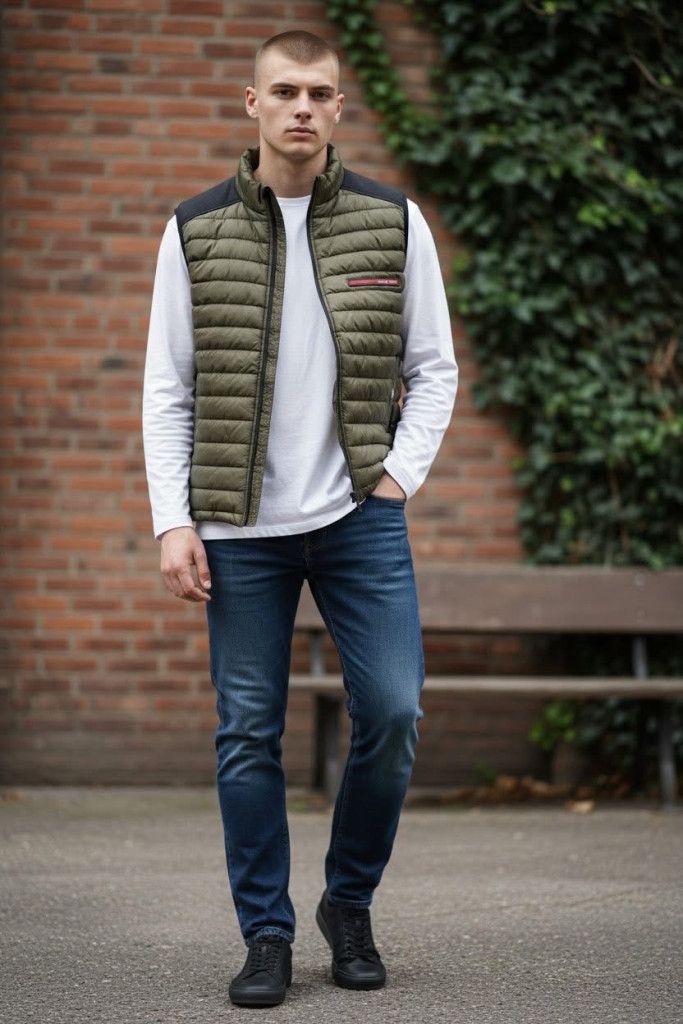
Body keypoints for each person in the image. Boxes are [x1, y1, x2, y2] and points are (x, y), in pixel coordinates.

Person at [143, 29, 457, 1009]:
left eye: (319, 93)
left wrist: (395, 478)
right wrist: (171, 520)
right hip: (238, 528)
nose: (302, 109)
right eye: (284, 92)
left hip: (357, 516)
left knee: (393, 712)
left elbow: (433, 367)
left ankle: (346, 904)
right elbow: (168, 389)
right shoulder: (195, 228)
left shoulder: (391, 221)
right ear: (252, 103)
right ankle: (266, 935)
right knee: (247, 733)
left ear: (337, 108)